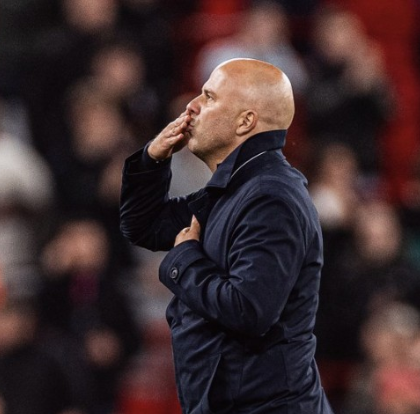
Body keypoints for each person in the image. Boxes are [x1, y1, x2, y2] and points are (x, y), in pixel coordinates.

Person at [120, 58, 333, 413]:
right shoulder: (236, 190)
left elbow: (249, 308)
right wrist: (152, 160)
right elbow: (145, 225)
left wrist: (184, 261)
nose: (191, 106)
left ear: (245, 121)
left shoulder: (270, 197)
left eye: (209, 97)